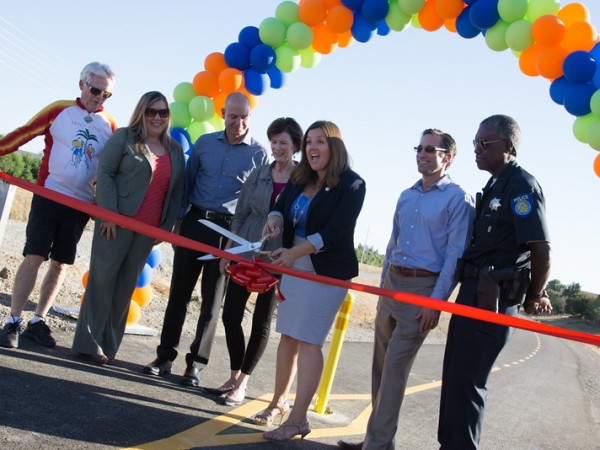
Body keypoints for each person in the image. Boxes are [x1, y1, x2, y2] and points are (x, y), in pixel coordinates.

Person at [338, 129, 475, 450]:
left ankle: (377, 444)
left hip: (424, 289)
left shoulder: (458, 198)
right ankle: (379, 440)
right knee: (380, 367)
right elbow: (392, 244)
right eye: (419, 148)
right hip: (393, 286)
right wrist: (383, 285)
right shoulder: (406, 195)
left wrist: (436, 303)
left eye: (430, 149)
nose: (422, 154)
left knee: (396, 369)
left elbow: (455, 257)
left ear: (447, 157)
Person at [437, 114, 552, 449]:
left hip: (494, 297)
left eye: (483, 144)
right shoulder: (494, 184)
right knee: (455, 380)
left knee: (469, 383)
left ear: (509, 146)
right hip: (473, 291)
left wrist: (535, 294)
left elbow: (540, 248)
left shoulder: (521, 185)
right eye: (475, 143)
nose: (476, 150)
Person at [142, 92, 268, 386]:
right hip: (195, 223)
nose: (237, 122)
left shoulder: (259, 154)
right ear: (223, 113)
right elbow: (187, 184)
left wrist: (241, 240)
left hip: (229, 233)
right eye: (232, 116)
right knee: (179, 295)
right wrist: (177, 223)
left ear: (250, 117)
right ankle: (164, 357)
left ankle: (195, 365)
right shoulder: (204, 144)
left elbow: (253, 204)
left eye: (243, 117)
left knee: (212, 303)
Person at [259, 120, 366, 443]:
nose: (313, 148)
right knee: (288, 337)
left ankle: (298, 419)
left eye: (320, 141)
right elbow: (279, 208)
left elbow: (335, 232)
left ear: (335, 147)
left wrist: (295, 253)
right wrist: (274, 220)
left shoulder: (352, 184)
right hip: (294, 264)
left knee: (309, 340)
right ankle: (279, 402)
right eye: (309, 142)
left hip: (326, 271)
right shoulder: (299, 177)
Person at [0, 62, 117, 349]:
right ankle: (13, 320)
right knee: (34, 255)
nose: (100, 97)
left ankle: (38, 321)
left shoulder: (111, 126)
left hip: (80, 206)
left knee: (61, 263)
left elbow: (113, 169)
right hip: (49, 195)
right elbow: (24, 133)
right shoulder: (59, 110)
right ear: (82, 84)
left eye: (107, 94)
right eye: (96, 90)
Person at [71, 91, 185, 365]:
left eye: (163, 112)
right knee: (102, 282)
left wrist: (165, 228)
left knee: (124, 290)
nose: (157, 117)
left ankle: (108, 347)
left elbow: (177, 191)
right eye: (151, 112)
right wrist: (108, 214)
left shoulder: (174, 150)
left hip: (147, 232)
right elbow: (106, 173)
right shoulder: (124, 137)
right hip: (115, 224)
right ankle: (88, 345)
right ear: (141, 112)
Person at [210, 117, 303, 406]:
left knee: (261, 322)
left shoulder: (304, 179)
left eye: (283, 143)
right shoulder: (258, 173)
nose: (277, 148)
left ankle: (243, 382)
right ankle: (234, 372)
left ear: (295, 146)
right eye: (273, 141)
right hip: (247, 251)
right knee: (230, 315)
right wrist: (228, 251)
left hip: (280, 258)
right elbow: (239, 215)